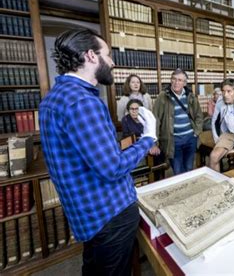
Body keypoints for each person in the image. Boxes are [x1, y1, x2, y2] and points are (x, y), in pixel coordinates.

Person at [39, 28, 157, 275]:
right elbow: (112, 167)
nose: (112, 62)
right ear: (91, 56)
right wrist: (148, 138)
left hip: (87, 213)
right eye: (109, 54)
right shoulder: (83, 101)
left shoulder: (53, 98)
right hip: (109, 214)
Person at [153, 68, 203, 175]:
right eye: (174, 79)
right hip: (173, 141)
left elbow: (199, 115)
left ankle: (189, 190)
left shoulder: (190, 96)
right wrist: (154, 142)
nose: (176, 82)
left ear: (185, 83)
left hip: (190, 139)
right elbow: (155, 120)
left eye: (180, 80)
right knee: (178, 171)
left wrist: (196, 132)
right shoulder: (163, 97)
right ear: (171, 80)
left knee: (189, 168)